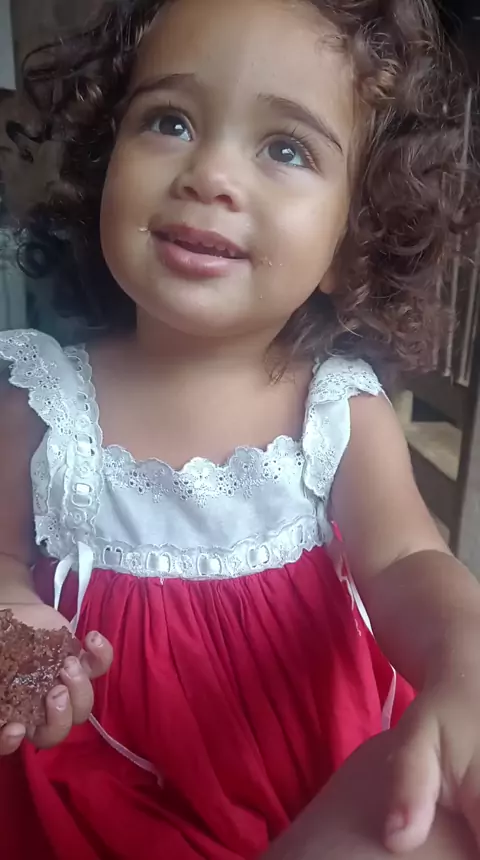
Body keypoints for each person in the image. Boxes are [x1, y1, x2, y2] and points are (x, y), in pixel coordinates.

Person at [0, 0, 479, 857]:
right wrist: (14, 617)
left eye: (285, 148)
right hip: (98, 799)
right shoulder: (42, 404)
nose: (211, 172)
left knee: (435, 823)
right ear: (105, 160)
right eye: (170, 121)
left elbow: (408, 560)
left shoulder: (339, 409)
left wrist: (464, 653)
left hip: (315, 790)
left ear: (350, 239)